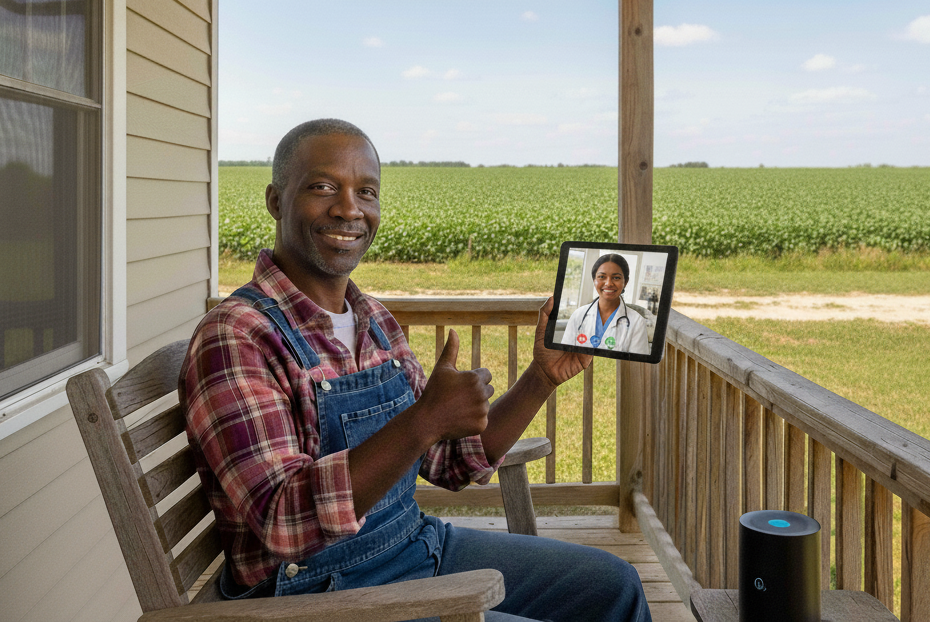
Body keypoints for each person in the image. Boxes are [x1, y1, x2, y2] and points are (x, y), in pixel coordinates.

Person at [179, 119, 651, 621]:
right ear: (276, 200)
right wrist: (423, 420)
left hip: (411, 547)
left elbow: (450, 463)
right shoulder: (237, 336)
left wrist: (541, 378)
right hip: (312, 599)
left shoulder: (374, 320)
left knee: (614, 585)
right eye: (322, 187)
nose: (348, 208)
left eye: (366, 191)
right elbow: (284, 520)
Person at [559, 254, 650, 355]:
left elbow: (638, 366)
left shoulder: (637, 322)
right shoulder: (578, 316)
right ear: (594, 280)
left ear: (626, 282)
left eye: (616, 278)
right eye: (602, 277)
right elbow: (565, 356)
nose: (608, 283)